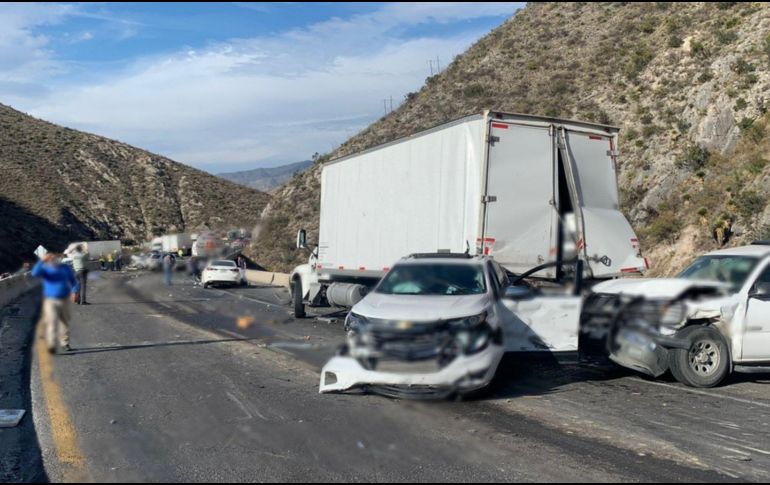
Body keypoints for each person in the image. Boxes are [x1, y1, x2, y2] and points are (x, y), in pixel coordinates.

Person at [31, 253, 79, 354]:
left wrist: (75, 291)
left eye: (54, 258)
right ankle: (51, 345)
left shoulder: (65, 268)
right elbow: (34, 273)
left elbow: (73, 281)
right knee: (52, 322)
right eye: (50, 258)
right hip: (51, 300)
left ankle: (65, 343)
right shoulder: (45, 269)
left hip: (65, 299)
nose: (53, 260)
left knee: (64, 322)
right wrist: (42, 261)